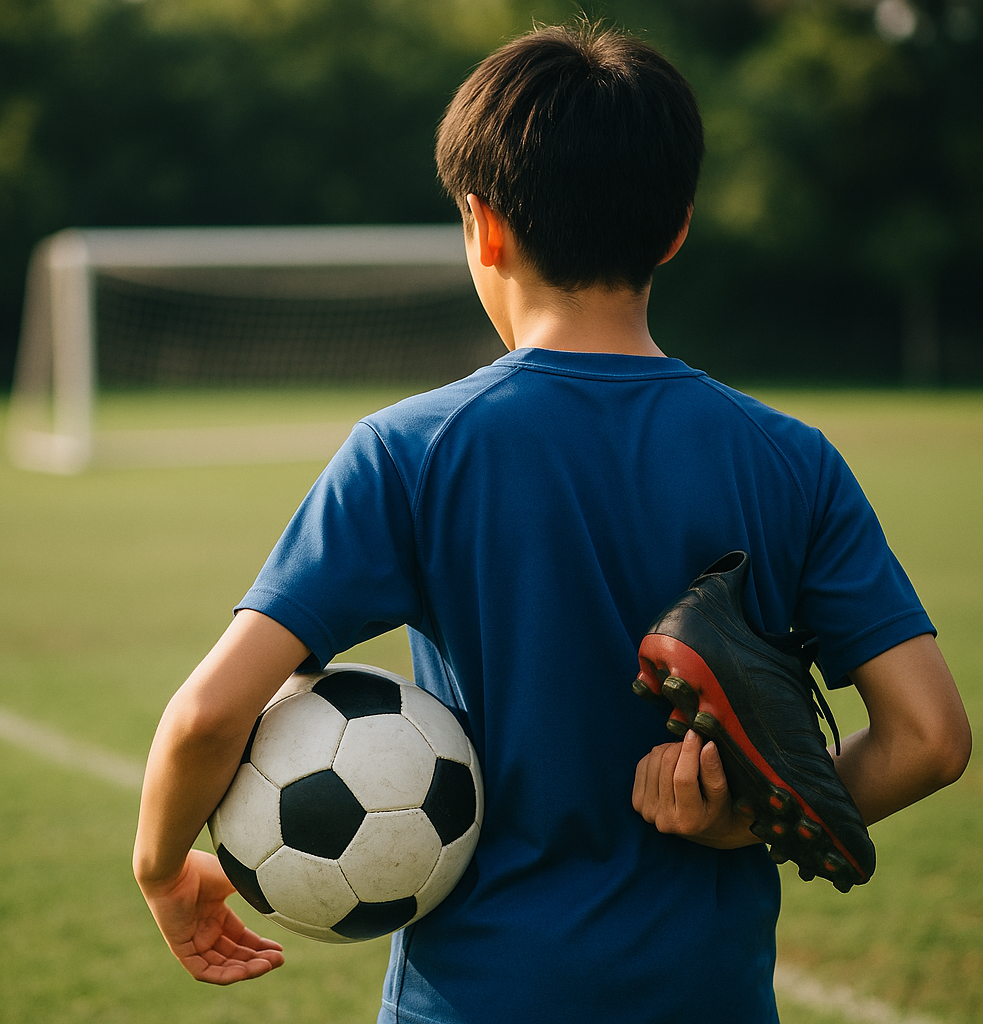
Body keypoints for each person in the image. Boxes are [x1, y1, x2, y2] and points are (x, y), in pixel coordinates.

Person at [132, 22, 971, 1024]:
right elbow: (929, 738)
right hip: (704, 999)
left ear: (482, 227)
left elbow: (208, 719)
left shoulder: (410, 451)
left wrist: (162, 871)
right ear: (675, 229)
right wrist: (743, 819)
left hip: (476, 996)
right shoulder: (792, 458)